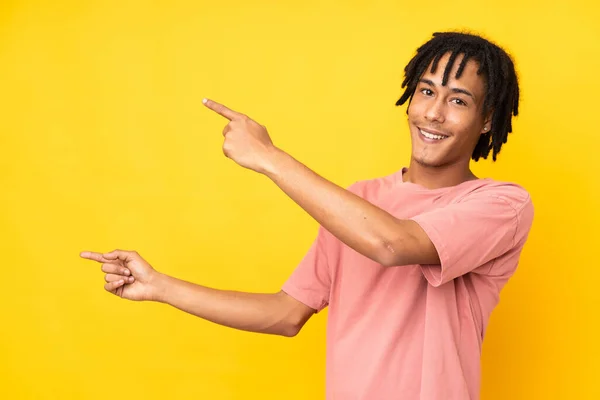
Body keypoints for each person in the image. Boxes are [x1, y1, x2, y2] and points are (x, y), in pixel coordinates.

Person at [81, 31, 534, 399]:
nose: (433, 113)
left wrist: (269, 158)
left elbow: (393, 244)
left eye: (458, 101)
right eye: (426, 92)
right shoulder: (358, 202)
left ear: (488, 119)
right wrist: (159, 285)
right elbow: (285, 314)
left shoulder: (501, 205)